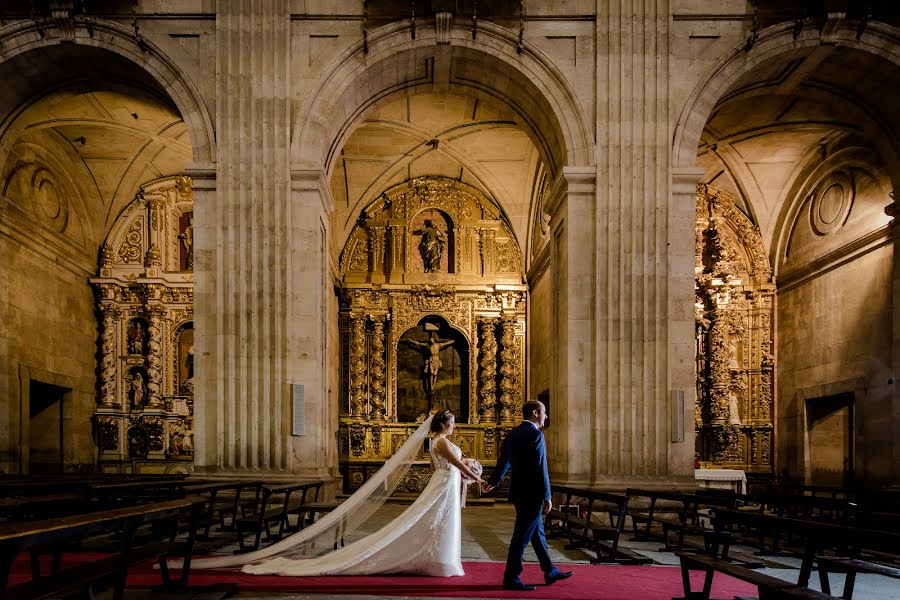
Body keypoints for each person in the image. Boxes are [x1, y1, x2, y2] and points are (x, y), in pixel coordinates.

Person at [188, 410, 486, 576]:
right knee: (432, 520)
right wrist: (475, 476)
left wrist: (466, 473)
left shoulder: (435, 441)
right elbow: (457, 463)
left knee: (435, 520)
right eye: (452, 421)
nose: (455, 424)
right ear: (444, 424)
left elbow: (455, 466)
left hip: (443, 483)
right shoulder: (443, 441)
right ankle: (439, 560)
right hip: (443, 482)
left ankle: (438, 558)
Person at [483, 400, 573, 591]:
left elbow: (503, 461)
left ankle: (550, 570)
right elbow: (541, 469)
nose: (546, 416)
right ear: (535, 413)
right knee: (521, 537)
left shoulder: (512, 435)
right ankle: (511, 577)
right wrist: (547, 496)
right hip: (533, 495)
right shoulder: (535, 435)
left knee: (537, 534)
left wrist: (493, 482)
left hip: (518, 493)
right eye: (544, 412)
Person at [404, 333, 455, 400]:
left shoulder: (438, 345)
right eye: (430, 340)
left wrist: (453, 341)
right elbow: (418, 344)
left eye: (432, 339)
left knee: (435, 374)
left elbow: (446, 344)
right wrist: (411, 341)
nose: (431, 340)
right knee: (431, 374)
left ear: (434, 340)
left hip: (436, 362)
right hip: (431, 362)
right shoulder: (428, 346)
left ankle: (433, 386)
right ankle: (431, 387)